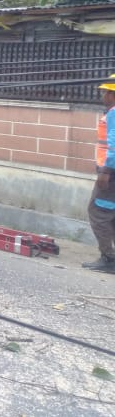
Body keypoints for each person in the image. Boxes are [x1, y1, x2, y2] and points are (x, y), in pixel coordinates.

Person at [84, 74, 115, 272]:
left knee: (98, 212)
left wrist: (106, 171)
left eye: (105, 92)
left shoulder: (113, 113)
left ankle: (109, 258)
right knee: (111, 214)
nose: (102, 96)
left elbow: (114, 145)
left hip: (111, 174)